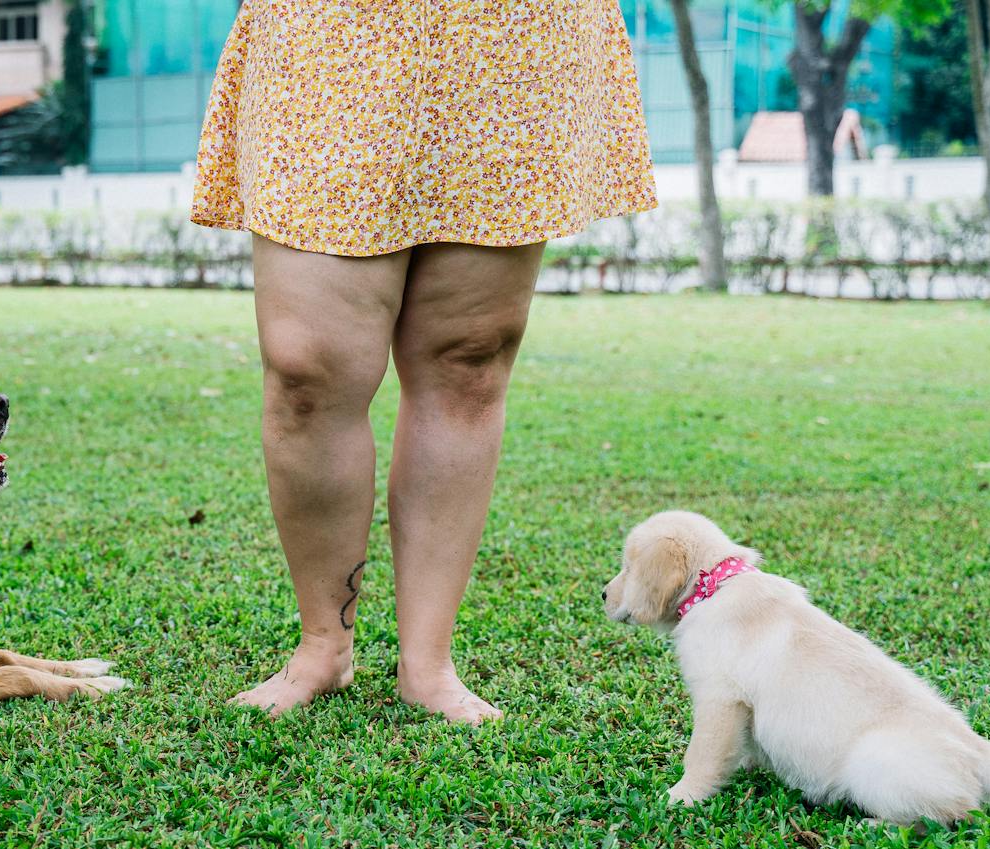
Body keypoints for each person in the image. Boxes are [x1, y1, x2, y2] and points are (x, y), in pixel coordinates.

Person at [191, 0, 657, 723]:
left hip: (509, 36)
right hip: (335, 32)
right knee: (305, 371)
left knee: (468, 363)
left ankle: (428, 663)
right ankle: (324, 645)